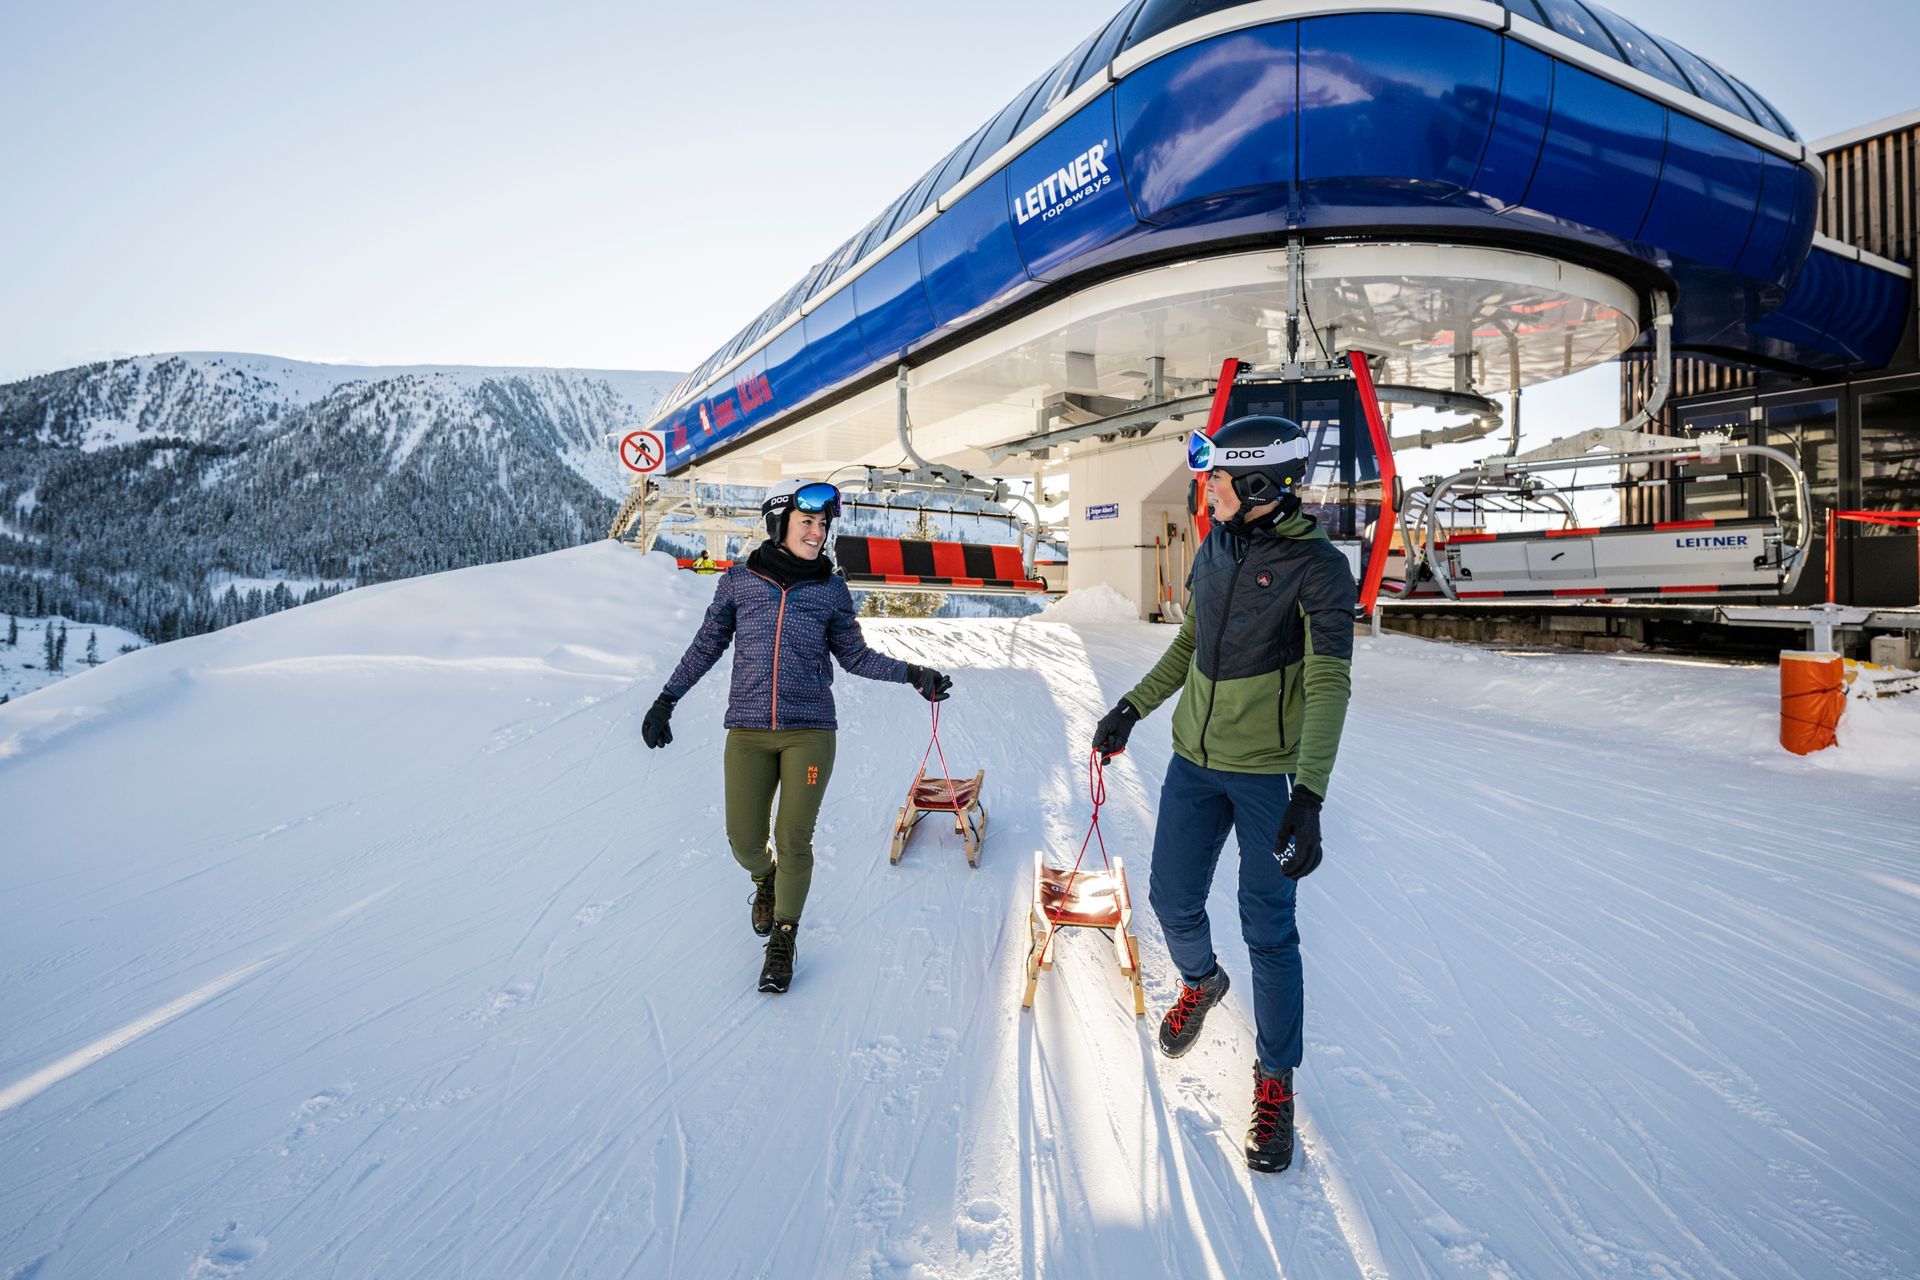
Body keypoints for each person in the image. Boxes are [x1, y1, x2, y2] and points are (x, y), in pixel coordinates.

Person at [1091, 415, 1355, 1173]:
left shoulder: (1318, 569)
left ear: (1258, 485)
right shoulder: (1215, 544)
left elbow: (1331, 680)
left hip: (1269, 775)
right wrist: (1132, 708)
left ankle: (1275, 1083)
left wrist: (1309, 795)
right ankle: (1203, 983)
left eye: (1216, 479)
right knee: (1171, 900)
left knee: (1268, 927)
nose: (1204, 489)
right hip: (1193, 764)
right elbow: (1188, 644)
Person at [643, 479, 953, 993]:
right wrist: (666, 698)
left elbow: (854, 657)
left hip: (810, 731)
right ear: (780, 524)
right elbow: (705, 646)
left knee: (793, 838)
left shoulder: (830, 590)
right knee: (744, 841)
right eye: (808, 522)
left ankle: (782, 940)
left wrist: (912, 674)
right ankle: (763, 880)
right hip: (746, 731)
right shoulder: (740, 583)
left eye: (823, 524)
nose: (817, 532)